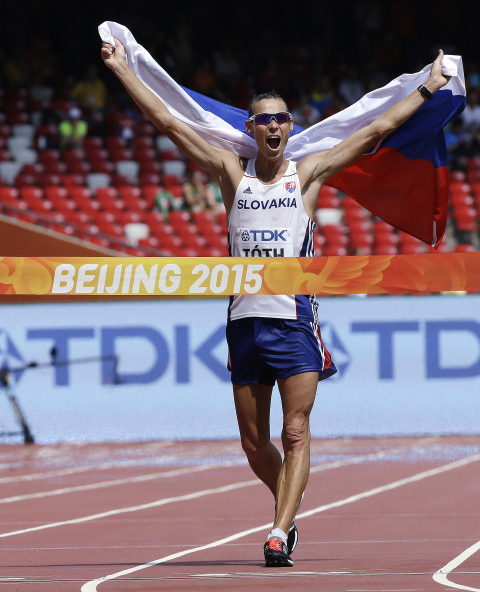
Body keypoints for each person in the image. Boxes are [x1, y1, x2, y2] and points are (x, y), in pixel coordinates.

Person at [102, 36, 450, 568]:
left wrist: (428, 86)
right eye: (263, 119)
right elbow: (169, 124)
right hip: (244, 322)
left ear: (291, 127)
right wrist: (125, 70)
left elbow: (375, 128)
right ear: (249, 128)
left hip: (294, 320)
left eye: (281, 119)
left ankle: (279, 530)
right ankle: (291, 497)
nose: (272, 126)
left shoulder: (305, 175)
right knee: (251, 441)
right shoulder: (230, 174)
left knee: (295, 431)